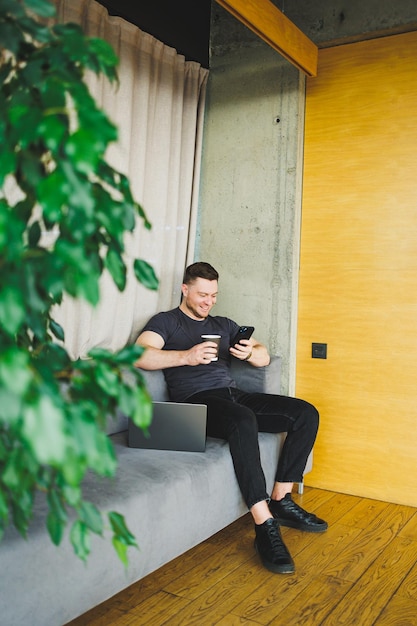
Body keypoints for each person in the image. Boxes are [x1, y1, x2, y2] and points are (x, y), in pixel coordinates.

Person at [135, 261, 327, 574]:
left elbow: (263, 355)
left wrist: (250, 352)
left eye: (213, 295)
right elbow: (139, 354)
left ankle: (281, 498)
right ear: (185, 289)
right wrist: (187, 356)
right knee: (242, 419)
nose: (208, 301)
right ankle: (264, 526)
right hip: (195, 403)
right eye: (201, 295)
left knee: (306, 413)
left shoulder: (223, 324)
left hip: (232, 395)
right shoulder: (166, 322)